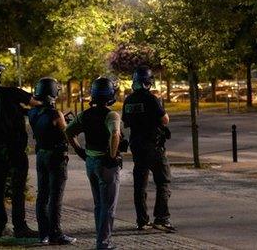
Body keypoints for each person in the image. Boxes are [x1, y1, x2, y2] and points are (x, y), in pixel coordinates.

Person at [0, 61, 41, 238]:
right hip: (15, 147)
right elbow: (36, 103)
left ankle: (0, 227)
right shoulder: (12, 92)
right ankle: (20, 227)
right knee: (17, 188)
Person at [66, 77, 122, 250]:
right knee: (108, 206)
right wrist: (112, 155)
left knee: (99, 204)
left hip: (90, 161)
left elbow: (68, 131)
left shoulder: (85, 114)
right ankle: (103, 243)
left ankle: (101, 238)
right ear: (110, 94)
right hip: (106, 164)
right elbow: (115, 135)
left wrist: (79, 150)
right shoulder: (111, 115)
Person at [122, 66, 175, 232]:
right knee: (163, 181)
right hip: (153, 145)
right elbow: (165, 119)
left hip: (137, 146)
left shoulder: (128, 101)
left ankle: (142, 221)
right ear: (148, 82)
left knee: (140, 185)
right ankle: (161, 218)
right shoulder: (151, 99)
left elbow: (126, 123)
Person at [27, 77, 76, 245]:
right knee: (55, 197)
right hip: (56, 156)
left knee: (43, 195)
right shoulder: (55, 113)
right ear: (53, 92)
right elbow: (67, 134)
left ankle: (44, 234)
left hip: (41, 155)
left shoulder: (32, 112)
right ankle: (56, 233)